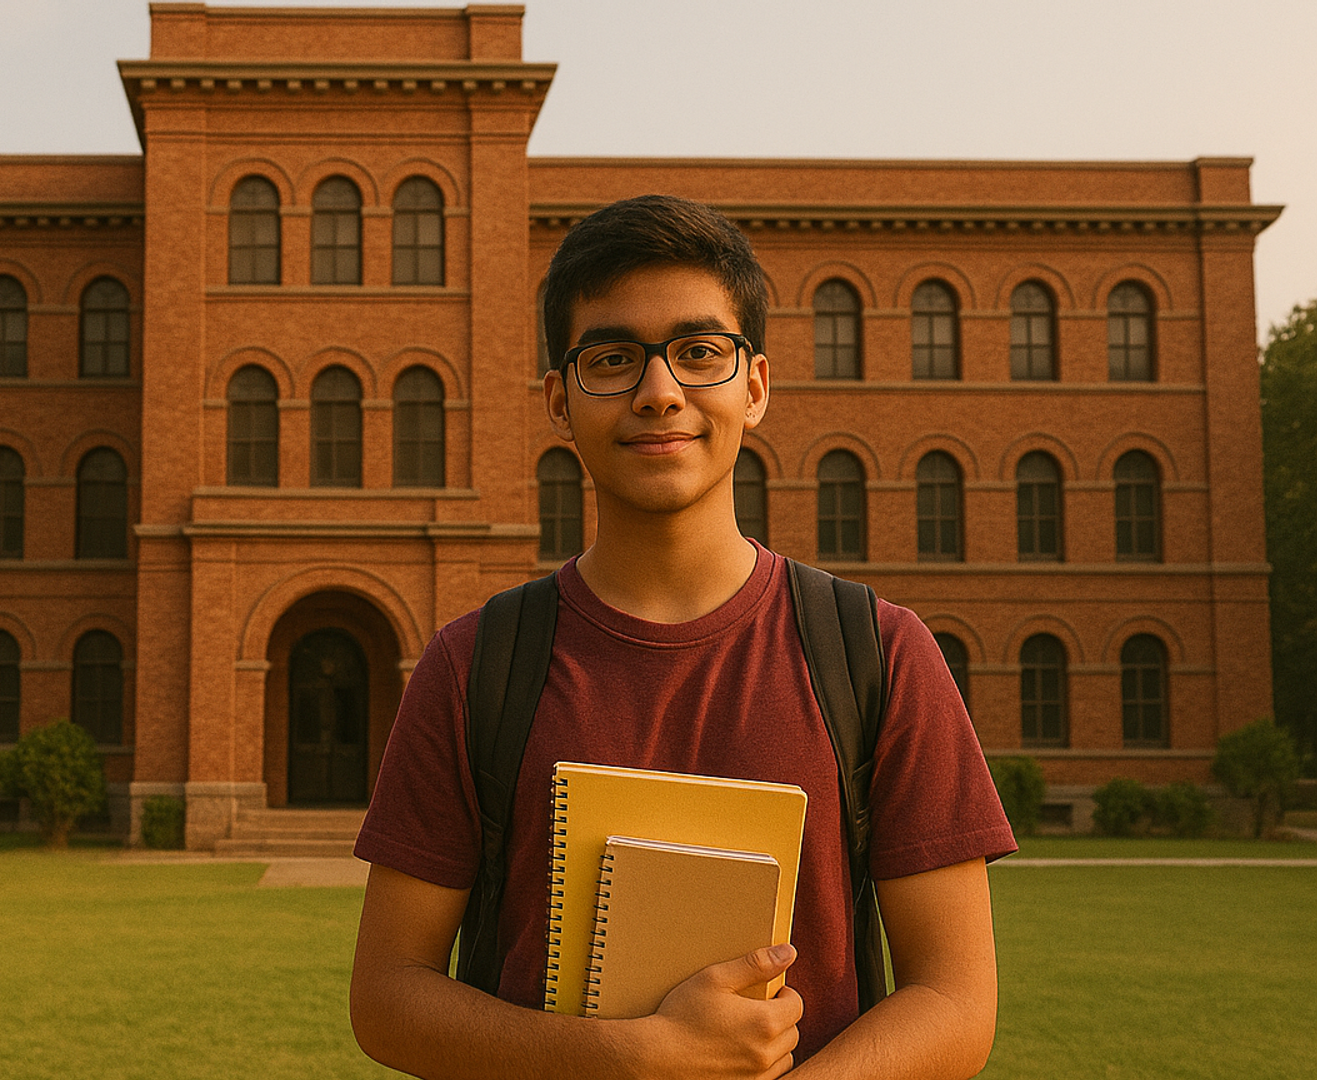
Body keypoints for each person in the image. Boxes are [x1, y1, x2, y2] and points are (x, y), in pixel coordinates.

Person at [348, 194, 1015, 1080]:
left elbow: (957, 1000)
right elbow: (388, 996)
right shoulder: (474, 667)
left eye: (699, 353)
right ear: (559, 400)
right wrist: (627, 1057)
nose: (659, 393)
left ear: (757, 385)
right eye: (613, 358)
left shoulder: (879, 655)